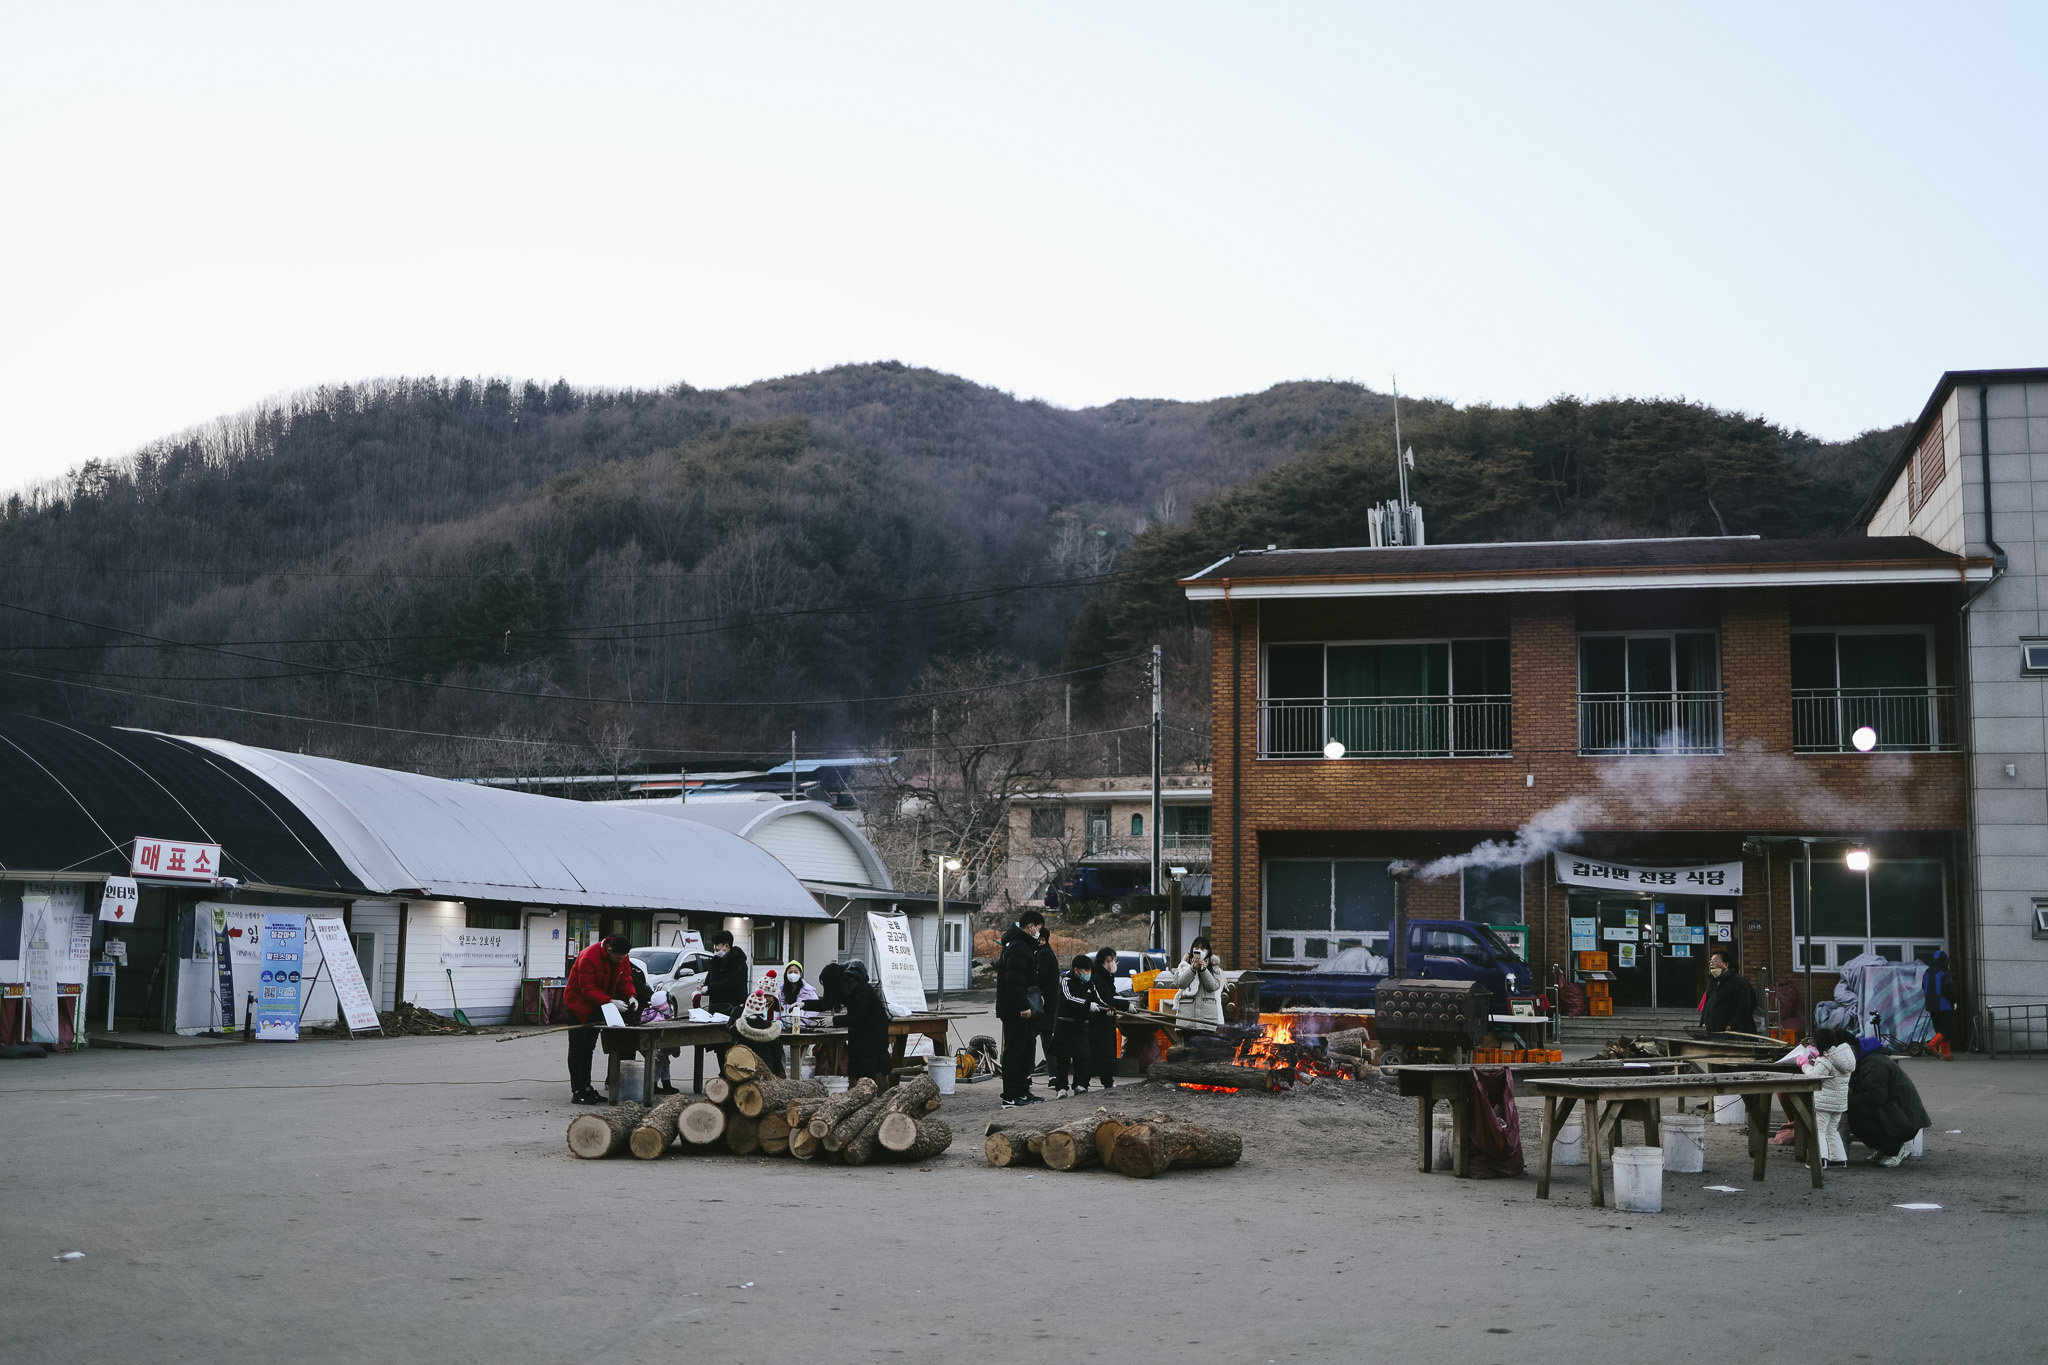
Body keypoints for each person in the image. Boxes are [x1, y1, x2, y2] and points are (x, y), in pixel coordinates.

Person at [562, 934, 635, 1105]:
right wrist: (610, 1001)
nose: (620, 961)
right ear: (609, 950)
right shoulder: (588, 957)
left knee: (589, 1048)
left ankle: (587, 1087)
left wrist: (631, 995)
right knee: (578, 1048)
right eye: (618, 958)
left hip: (598, 1005)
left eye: (623, 958)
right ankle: (578, 1089)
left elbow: (625, 979)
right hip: (579, 1005)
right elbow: (586, 989)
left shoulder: (622, 957)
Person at [1846, 1040, 1933, 1167]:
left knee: (1854, 1114)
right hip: (1902, 1114)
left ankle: (1894, 1149)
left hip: (1905, 1120)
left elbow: (1876, 1097)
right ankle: (1885, 1149)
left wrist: (1845, 1101)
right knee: (1854, 1110)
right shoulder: (1871, 1060)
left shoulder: (1873, 1063)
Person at [996, 910, 1048, 1107]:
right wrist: (1023, 1005)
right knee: (1015, 1052)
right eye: (1038, 929)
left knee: (1025, 1051)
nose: (1038, 934)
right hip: (1015, 1011)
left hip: (1022, 1008)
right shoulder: (1018, 947)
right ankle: (1010, 1095)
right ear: (1031, 926)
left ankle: (1022, 1091)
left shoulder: (1022, 945)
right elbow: (1014, 982)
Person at [818, 959, 891, 1085]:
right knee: (861, 1072)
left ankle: (872, 1096)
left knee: (868, 1074)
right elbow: (827, 1003)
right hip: (864, 1036)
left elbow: (858, 1017)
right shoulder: (849, 986)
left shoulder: (859, 989)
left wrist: (835, 1021)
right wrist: (803, 1005)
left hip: (873, 1037)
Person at [1801, 1026, 1858, 1168]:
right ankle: (1839, 1159)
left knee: (1819, 1129)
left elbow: (1814, 1076)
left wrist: (1804, 1064)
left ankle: (1819, 1159)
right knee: (1832, 1129)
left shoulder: (1825, 1060)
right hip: (1839, 1103)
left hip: (1823, 1103)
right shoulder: (1846, 1056)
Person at [1050, 953, 1103, 1098]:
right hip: (1065, 1024)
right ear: (1076, 970)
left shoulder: (1089, 984)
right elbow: (1069, 998)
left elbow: (1098, 999)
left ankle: (1079, 1084)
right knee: (1063, 1059)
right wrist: (1087, 1005)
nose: (1088, 973)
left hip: (1080, 1025)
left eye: (1089, 970)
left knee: (1082, 1057)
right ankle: (1061, 1088)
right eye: (1085, 970)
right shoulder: (1066, 981)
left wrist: (1110, 1008)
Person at [1159, 936, 1225, 1028]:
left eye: (1202, 948)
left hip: (1207, 1020)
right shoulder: (1183, 965)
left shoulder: (1214, 967)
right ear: (1192, 949)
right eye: (1197, 948)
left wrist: (1204, 970)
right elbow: (1179, 984)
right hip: (1186, 1019)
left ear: (1208, 951)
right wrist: (1192, 970)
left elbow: (1213, 987)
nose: (1199, 950)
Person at [1088, 946, 1129, 1089]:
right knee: (1099, 1052)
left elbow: (1111, 995)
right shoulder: (1097, 976)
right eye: (1115, 961)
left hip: (1106, 1018)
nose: (1115, 965)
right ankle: (1095, 1082)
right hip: (1097, 1020)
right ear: (1109, 959)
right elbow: (1104, 999)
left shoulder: (1106, 976)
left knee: (1106, 1051)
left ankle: (1107, 1080)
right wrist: (1126, 1005)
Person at [1699, 950, 1758, 1036]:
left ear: (1726, 965)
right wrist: (1703, 1021)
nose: (1711, 963)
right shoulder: (1712, 982)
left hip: (1732, 1033)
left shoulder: (1738, 981)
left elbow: (1745, 1006)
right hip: (1713, 1031)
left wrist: (1731, 1025)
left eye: (1715, 960)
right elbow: (1707, 1002)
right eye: (1710, 961)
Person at [702, 930, 750, 1020]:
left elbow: (732, 983)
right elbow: (708, 980)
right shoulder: (715, 962)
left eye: (717, 945)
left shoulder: (739, 963)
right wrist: (702, 989)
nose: (715, 948)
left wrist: (710, 988)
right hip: (715, 1009)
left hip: (732, 1009)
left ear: (726, 946)